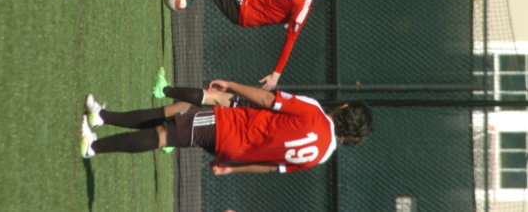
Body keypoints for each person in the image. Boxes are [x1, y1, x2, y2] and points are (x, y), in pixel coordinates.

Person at [79, 79, 373, 175]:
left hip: (228, 127)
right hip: (233, 149)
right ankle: (102, 117)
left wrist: (232, 85)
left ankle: (93, 146)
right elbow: (272, 167)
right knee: (178, 112)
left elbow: (267, 99)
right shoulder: (321, 156)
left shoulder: (313, 111)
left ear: (344, 107)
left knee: (164, 134)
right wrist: (232, 168)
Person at [161, 0, 328, 90]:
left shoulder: (302, 8)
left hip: (243, 10)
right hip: (247, 1)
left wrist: (276, 73)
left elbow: (291, 40)